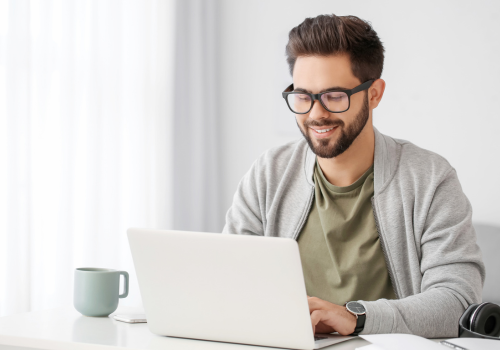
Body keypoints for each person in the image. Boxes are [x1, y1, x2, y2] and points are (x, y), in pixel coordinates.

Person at [222, 14, 485, 338]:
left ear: (374, 93)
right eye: (303, 96)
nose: (316, 113)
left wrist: (355, 317)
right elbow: (230, 280)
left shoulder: (430, 179)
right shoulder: (269, 174)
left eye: (334, 95)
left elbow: (456, 303)